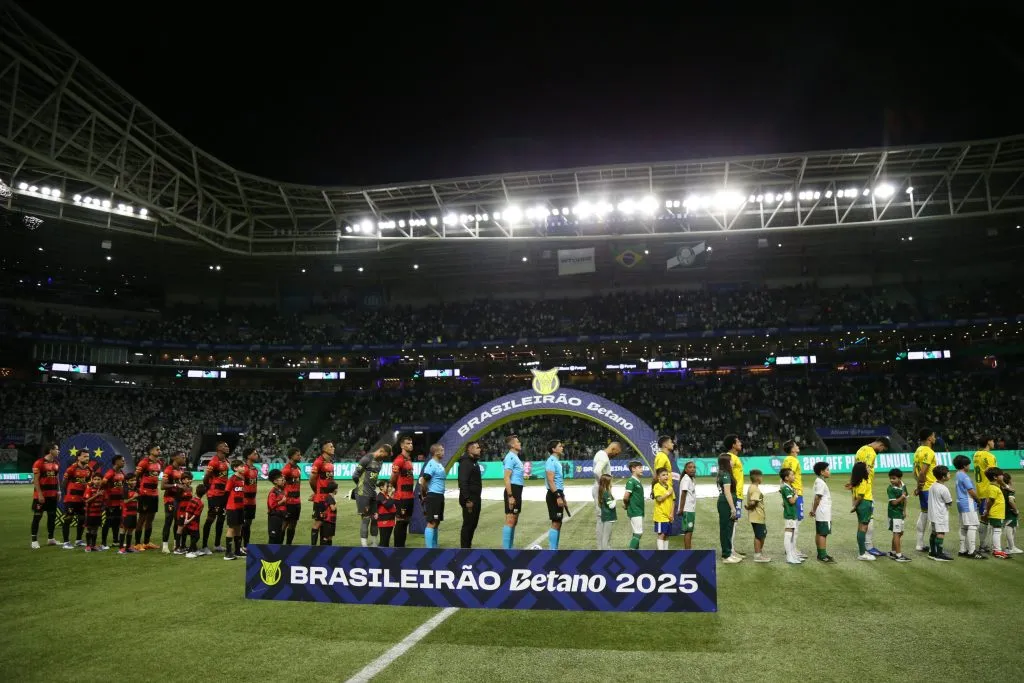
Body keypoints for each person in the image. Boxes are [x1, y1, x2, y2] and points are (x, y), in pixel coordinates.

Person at [854, 436, 890, 557]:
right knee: (868, 521)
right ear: (881, 444)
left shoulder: (861, 450)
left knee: (862, 522)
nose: (881, 451)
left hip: (858, 489)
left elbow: (856, 471)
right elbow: (866, 471)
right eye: (883, 449)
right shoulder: (871, 453)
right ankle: (867, 548)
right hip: (865, 492)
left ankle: (865, 548)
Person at [354, 444, 391, 547]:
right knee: (366, 519)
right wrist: (360, 488)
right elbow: (355, 475)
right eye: (384, 456)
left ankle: (374, 544)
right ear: (381, 451)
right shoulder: (366, 458)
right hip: (363, 493)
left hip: (373, 493)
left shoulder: (380, 462)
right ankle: (364, 546)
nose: (384, 458)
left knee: (375, 518)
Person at [953, 455, 985, 559]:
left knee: (963, 526)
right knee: (972, 525)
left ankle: (962, 550)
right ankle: (972, 551)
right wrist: (978, 500)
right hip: (968, 503)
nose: (969, 466)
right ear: (964, 465)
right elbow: (970, 490)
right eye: (968, 464)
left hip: (960, 502)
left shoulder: (957, 474)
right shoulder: (964, 476)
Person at [202, 441, 231, 554]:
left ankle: (217, 545)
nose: (227, 447)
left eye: (227, 446)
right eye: (225, 446)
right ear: (218, 448)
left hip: (223, 495)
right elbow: (206, 479)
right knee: (211, 518)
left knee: (221, 518)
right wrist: (210, 489)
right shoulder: (214, 462)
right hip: (214, 495)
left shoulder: (226, 461)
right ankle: (204, 546)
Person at [30, 443, 60, 549]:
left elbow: (57, 478)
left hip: (52, 495)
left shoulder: (56, 463)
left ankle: (51, 539)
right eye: (57, 449)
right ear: (50, 450)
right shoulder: (39, 463)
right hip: (41, 496)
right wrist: (40, 495)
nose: (58, 451)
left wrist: (59, 491)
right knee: (37, 517)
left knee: (52, 517)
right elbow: (36, 481)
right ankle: (34, 540)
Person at [780, 440, 807, 559]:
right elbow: (786, 477)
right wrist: (789, 494)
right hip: (795, 494)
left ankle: (792, 549)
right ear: (792, 449)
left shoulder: (789, 460)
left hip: (794, 493)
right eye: (796, 445)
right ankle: (791, 549)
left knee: (796, 522)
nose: (798, 446)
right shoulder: (792, 460)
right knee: (795, 522)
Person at [913, 429, 938, 553]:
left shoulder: (918, 450)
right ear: (929, 438)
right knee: (933, 516)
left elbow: (915, 472)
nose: (935, 437)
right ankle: (935, 546)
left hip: (923, 488)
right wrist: (920, 486)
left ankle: (920, 544)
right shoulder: (929, 452)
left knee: (924, 514)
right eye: (934, 435)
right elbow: (922, 472)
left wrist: (919, 486)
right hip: (929, 488)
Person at [61, 449, 91, 549]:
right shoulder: (71, 469)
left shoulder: (89, 470)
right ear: (78, 457)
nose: (87, 458)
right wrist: (66, 496)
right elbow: (64, 484)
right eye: (84, 456)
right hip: (71, 499)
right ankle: (66, 542)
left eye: (88, 456)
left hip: (82, 499)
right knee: (68, 519)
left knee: (82, 519)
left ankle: (78, 540)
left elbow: (89, 484)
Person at [390, 434, 417, 548]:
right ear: (402, 445)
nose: (410, 445)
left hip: (409, 496)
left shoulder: (408, 460)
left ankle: (402, 547)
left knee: (406, 522)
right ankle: (398, 547)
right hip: (401, 497)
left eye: (411, 443)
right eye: (407, 443)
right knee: (401, 522)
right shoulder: (399, 460)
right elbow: (393, 478)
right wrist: (394, 490)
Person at [135, 443, 163, 551]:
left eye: (159, 449)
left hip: (154, 494)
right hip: (145, 494)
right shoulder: (144, 462)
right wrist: (138, 490)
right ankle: (137, 543)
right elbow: (136, 477)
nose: (159, 451)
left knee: (150, 519)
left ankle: (146, 542)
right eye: (157, 449)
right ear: (151, 451)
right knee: (142, 518)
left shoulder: (159, 463)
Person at [591, 442, 620, 546]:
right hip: (600, 489)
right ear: (613, 448)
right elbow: (597, 471)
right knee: (603, 518)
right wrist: (603, 485)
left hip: (598, 488)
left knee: (601, 518)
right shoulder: (604, 457)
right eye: (616, 453)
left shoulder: (599, 453)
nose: (616, 455)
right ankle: (604, 547)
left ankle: (602, 546)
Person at [309, 439, 336, 547]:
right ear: (324, 449)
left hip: (329, 497)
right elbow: (312, 480)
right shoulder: (318, 462)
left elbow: (331, 479)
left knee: (328, 523)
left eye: (333, 446)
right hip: (320, 499)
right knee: (319, 522)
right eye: (331, 446)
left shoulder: (330, 463)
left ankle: (324, 547)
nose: (333, 448)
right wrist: (317, 492)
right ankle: (313, 547)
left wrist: (334, 488)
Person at [722, 435, 745, 558]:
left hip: (738, 494)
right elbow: (725, 473)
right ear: (733, 445)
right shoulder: (730, 457)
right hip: (734, 494)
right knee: (732, 522)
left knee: (734, 522)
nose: (740, 443)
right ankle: (729, 551)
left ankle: (732, 549)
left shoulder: (734, 457)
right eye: (738, 441)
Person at [419, 444, 446, 548]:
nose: (443, 452)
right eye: (442, 450)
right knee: (432, 522)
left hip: (439, 496)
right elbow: (423, 481)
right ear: (436, 452)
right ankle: (429, 548)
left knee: (437, 521)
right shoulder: (431, 464)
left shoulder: (438, 464)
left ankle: (434, 546)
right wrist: (424, 494)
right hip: (433, 496)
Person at [973, 437, 997, 552]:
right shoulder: (990, 456)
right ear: (988, 442)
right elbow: (994, 474)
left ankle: (984, 544)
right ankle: (983, 545)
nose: (994, 442)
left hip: (979, 490)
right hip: (989, 490)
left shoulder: (976, 454)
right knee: (987, 518)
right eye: (993, 441)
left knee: (984, 517)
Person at [160, 451, 187, 554]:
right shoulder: (169, 469)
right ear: (174, 458)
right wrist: (176, 485)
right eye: (182, 457)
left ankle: (176, 544)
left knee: (178, 521)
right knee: (168, 521)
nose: (184, 459)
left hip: (179, 499)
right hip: (170, 499)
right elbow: (162, 486)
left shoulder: (180, 470)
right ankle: (165, 545)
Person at [716, 454, 742, 563]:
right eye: (730, 460)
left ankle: (729, 552)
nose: (732, 462)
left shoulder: (723, 473)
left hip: (726, 502)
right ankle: (726, 555)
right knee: (726, 528)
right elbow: (727, 492)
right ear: (726, 462)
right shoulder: (725, 474)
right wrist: (732, 508)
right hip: (726, 503)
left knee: (729, 528)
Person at [458, 440, 483, 548]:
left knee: (472, 524)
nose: (479, 449)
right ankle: (465, 549)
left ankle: (468, 547)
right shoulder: (466, 463)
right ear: (470, 450)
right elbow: (463, 481)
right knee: (468, 525)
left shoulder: (473, 462)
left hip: (475, 498)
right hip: (470, 499)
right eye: (477, 447)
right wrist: (467, 499)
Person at [808, 462, 835, 563]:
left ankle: (821, 553)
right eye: (827, 469)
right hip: (823, 511)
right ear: (822, 472)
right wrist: (813, 510)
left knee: (819, 532)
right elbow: (817, 498)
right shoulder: (821, 483)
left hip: (821, 511)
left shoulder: (818, 481)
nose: (829, 471)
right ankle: (822, 555)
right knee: (823, 533)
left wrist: (813, 510)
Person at [502, 435, 525, 549]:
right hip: (513, 490)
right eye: (517, 442)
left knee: (514, 520)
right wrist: (510, 495)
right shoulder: (510, 457)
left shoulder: (515, 457)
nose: (520, 443)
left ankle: (510, 547)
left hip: (517, 489)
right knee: (510, 519)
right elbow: (506, 477)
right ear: (512, 445)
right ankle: (506, 550)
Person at [927, 465, 954, 561]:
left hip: (933, 514)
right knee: (940, 533)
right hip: (940, 514)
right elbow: (949, 502)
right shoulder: (943, 488)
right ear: (943, 477)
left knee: (934, 532)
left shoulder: (932, 485)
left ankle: (932, 552)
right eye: (948, 473)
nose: (950, 475)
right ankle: (939, 554)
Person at [850, 461, 875, 561]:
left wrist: (855, 505)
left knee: (861, 527)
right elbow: (860, 496)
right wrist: (854, 506)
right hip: (864, 504)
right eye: (867, 467)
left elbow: (855, 493)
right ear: (862, 470)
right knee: (863, 528)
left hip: (862, 505)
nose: (869, 469)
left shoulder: (857, 480)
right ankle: (862, 553)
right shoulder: (864, 480)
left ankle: (862, 551)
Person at [101, 455, 127, 550]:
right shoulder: (110, 473)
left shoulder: (122, 473)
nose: (124, 462)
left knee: (117, 521)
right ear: (116, 462)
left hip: (119, 502)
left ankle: (115, 541)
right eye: (122, 460)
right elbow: (103, 483)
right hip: (111, 502)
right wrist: (106, 494)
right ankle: (103, 543)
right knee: (108, 522)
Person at [544, 440, 567, 550]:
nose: (562, 447)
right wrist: (558, 496)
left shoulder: (556, 461)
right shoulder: (551, 461)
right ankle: (552, 550)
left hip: (558, 493)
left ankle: (555, 549)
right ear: (554, 449)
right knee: (556, 522)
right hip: (554, 494)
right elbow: (550, 480)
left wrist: (563, 496)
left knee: (558, 522)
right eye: (559, 446)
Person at [982, 468, 1009, 558]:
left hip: (996, 513)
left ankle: (996, 550)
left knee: (996, 531)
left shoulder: (994, 486)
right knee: (997, 531)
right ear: (995, 477)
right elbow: (990, 501)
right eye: (1001, 475)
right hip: (996, 513)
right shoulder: (993, 488)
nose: (1002, 476)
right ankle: (997, 550)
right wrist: (987, 511)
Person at [886, 468, 911, 562]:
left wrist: (904, 511)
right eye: (890, 478)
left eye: (894, 478)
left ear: (900, 478)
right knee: (896, 533)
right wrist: (902, 497)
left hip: (900, 513)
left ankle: (893, 552)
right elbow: (894, 503)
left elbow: (905, 499)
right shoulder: (890, 488)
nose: (891, 480)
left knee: (900, 533)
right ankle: (898, 555)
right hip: (894, 513)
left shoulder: (903, 485)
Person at [224, 459, 247, 561]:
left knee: (239, 528)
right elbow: (226, 493)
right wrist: (224, 507)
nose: (243, 468)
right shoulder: (232, 479)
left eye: (243, 466)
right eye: (241, 466)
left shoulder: (243, 478)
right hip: (232, 507)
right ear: (235, 468)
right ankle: (228, 553)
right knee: (232, 528)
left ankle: (237, 551)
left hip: (240, 507)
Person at [281, 447, 303, 545]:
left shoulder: (298, 468)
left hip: (297, 501)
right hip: (288, 501)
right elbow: (280, 483)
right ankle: (279, 544)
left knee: (293, 524)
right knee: (285, 523)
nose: (300, 456)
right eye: (298, 455)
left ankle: (288, 546)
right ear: (292, 456)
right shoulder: (286, 469)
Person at [746, 469, 769, 562]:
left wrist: (748, 507)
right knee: (760, 535)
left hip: (754, 516)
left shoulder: (750, 487)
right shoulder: (755, 489)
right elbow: (753, 501)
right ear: (758, 478)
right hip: (757, 516)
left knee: (759, 534)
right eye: (761, 476)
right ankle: (758, 555)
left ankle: (758, 553)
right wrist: (749, 506)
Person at [780, 468, 802, 564]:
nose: (794, 476)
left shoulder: (788, 487)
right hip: (789, 514)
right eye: (792, 475)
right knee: (788, 534)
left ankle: (792, 555)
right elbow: (792, 501)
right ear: (786, 478)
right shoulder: (786, 488)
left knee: (792, 534)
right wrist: (796, 495)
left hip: (792, 514)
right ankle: (789, 557)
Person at [241, 448, 261, 554]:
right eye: (254, 453)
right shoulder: (243, 469)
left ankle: (245, 545)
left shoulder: (255, 469)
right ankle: (239, 545)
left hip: (252, 501)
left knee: (248, 524)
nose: (257, 455)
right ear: (248, 456)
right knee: (242, 524)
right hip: (244, 501)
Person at [622, 460, 645, 550]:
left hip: (638, 510)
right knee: (639, 533)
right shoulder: (631, 481)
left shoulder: (637, 481)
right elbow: (625, 497)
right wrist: (627, 505)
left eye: (641, 467)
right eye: (639, 468)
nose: (642, 469)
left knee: (636, 532)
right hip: (635, 510)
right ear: (633, 469)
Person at [652, 467, 675, 550]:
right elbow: (659, 499)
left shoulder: (669, 486)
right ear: (658, 477)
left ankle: (666, 554)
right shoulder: (656, 486)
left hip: (669, 516)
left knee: (667, 535)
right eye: (663, 475)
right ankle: (661, 554)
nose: (666, 476)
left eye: (666, 475)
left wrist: (672, 514)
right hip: (660, 516)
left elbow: (673, 501)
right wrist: (668, 492)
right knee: (661, 534)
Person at [676, 461, 697, 549]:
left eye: (694, 467)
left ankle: (688, 550)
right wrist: (681, 509)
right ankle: (688, 552)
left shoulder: (690, 479)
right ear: (685, 469)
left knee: (690, 531)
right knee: (688, 532)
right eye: (690, 467)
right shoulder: (686, 479)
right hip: (687, 509)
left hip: (691, 509)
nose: (692, 469)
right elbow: (683, 494)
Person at [182, 485, 208, 558]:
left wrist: (186, 519)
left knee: (191, 535)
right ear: (204, 494)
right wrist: (189, 521)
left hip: (187, 520)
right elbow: (195, 515)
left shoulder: (192, 499)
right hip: (193, 522)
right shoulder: (200, 503)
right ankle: (190, 551)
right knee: (196, 536)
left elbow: (187, 510)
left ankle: (195, 550)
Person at [118, 473, 140, 554]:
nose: (134, 481)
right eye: (132, 480)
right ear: (127, 481)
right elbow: (125, 501)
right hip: (126, 513)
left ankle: (128, 547)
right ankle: (121, 548)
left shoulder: (136, 489)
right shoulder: (125, 489)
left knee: (131, 530)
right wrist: (134, 497)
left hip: (133, 513)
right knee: (123, 530)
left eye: (135, 480)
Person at [83, 473, 105, 552]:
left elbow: (104, 501)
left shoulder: (103, 490)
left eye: (99, 479)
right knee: (89, 529)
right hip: (90, 513)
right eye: (95, 479)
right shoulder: (89, 489)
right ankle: (88, 546)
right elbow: (87, 500)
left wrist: (103, 507)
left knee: (95, 530)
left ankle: (93, 545)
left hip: (98, 514)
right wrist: (97, 495)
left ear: (101, 480)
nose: (97, 481)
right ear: (92, 480)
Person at [173, 473, 194, 554]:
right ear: (183, 480)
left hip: (187, 511)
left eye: (190, 479)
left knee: (185, 528)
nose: (190, 480)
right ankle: (177, 548)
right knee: (180, 528)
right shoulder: (180, 488)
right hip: (181, 511)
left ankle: (183, 546)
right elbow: (176, 500)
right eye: (188, 479)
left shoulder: (190, 488)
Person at [266, 469, 288, 544]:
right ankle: (270, 554)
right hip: (274, 517)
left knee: (279, 536)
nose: (283, 481)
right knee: (273, 537)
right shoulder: (273, 492)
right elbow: (272, 505)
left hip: (281, 516)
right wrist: (282, 501)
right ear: (275, 481)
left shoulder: (281, 490)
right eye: (281, 480)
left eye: (283, 479)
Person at [374, 480, 397, 547]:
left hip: (390, 520)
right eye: (387, 486)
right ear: (381, 487)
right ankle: (380, 555)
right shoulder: (380, 496)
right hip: (384, 521)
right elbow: (388, 505)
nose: (390, 488)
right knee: (384, 541)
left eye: (390, 486)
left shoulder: (386, 495)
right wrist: (391, 496)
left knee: (386, 541)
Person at [1002, 473, 1021, 554]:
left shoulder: (1001, 488)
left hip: (1004, 511)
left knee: (1010, 529)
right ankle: (1011, 547)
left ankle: (1008, 547)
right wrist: (1016, 510)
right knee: (1010, 529)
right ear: (1009, 480)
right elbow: (1011, 501)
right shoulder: (1010, 490)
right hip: (1010, 512)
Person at [597, 474, 617, 550]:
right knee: (606, 537)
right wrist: (615, 500)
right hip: (608, 517)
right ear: (607, 482)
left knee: (606, 536)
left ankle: (608, 549)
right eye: (611, 481)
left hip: (606, 516)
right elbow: (611, 505)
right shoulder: (606, 493)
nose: (612, 483)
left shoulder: (603, 491)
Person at [320, 481, 339, 545]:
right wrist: (336, 503)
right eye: (337, 488)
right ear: (334, 490)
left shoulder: (330, 497)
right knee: (326, 537)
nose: (337, 490)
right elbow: (333, 508)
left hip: (331, 520)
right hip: (328, 521)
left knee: (330, 537)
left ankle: (329, 551)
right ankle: (322, 551)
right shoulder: (330, 497)